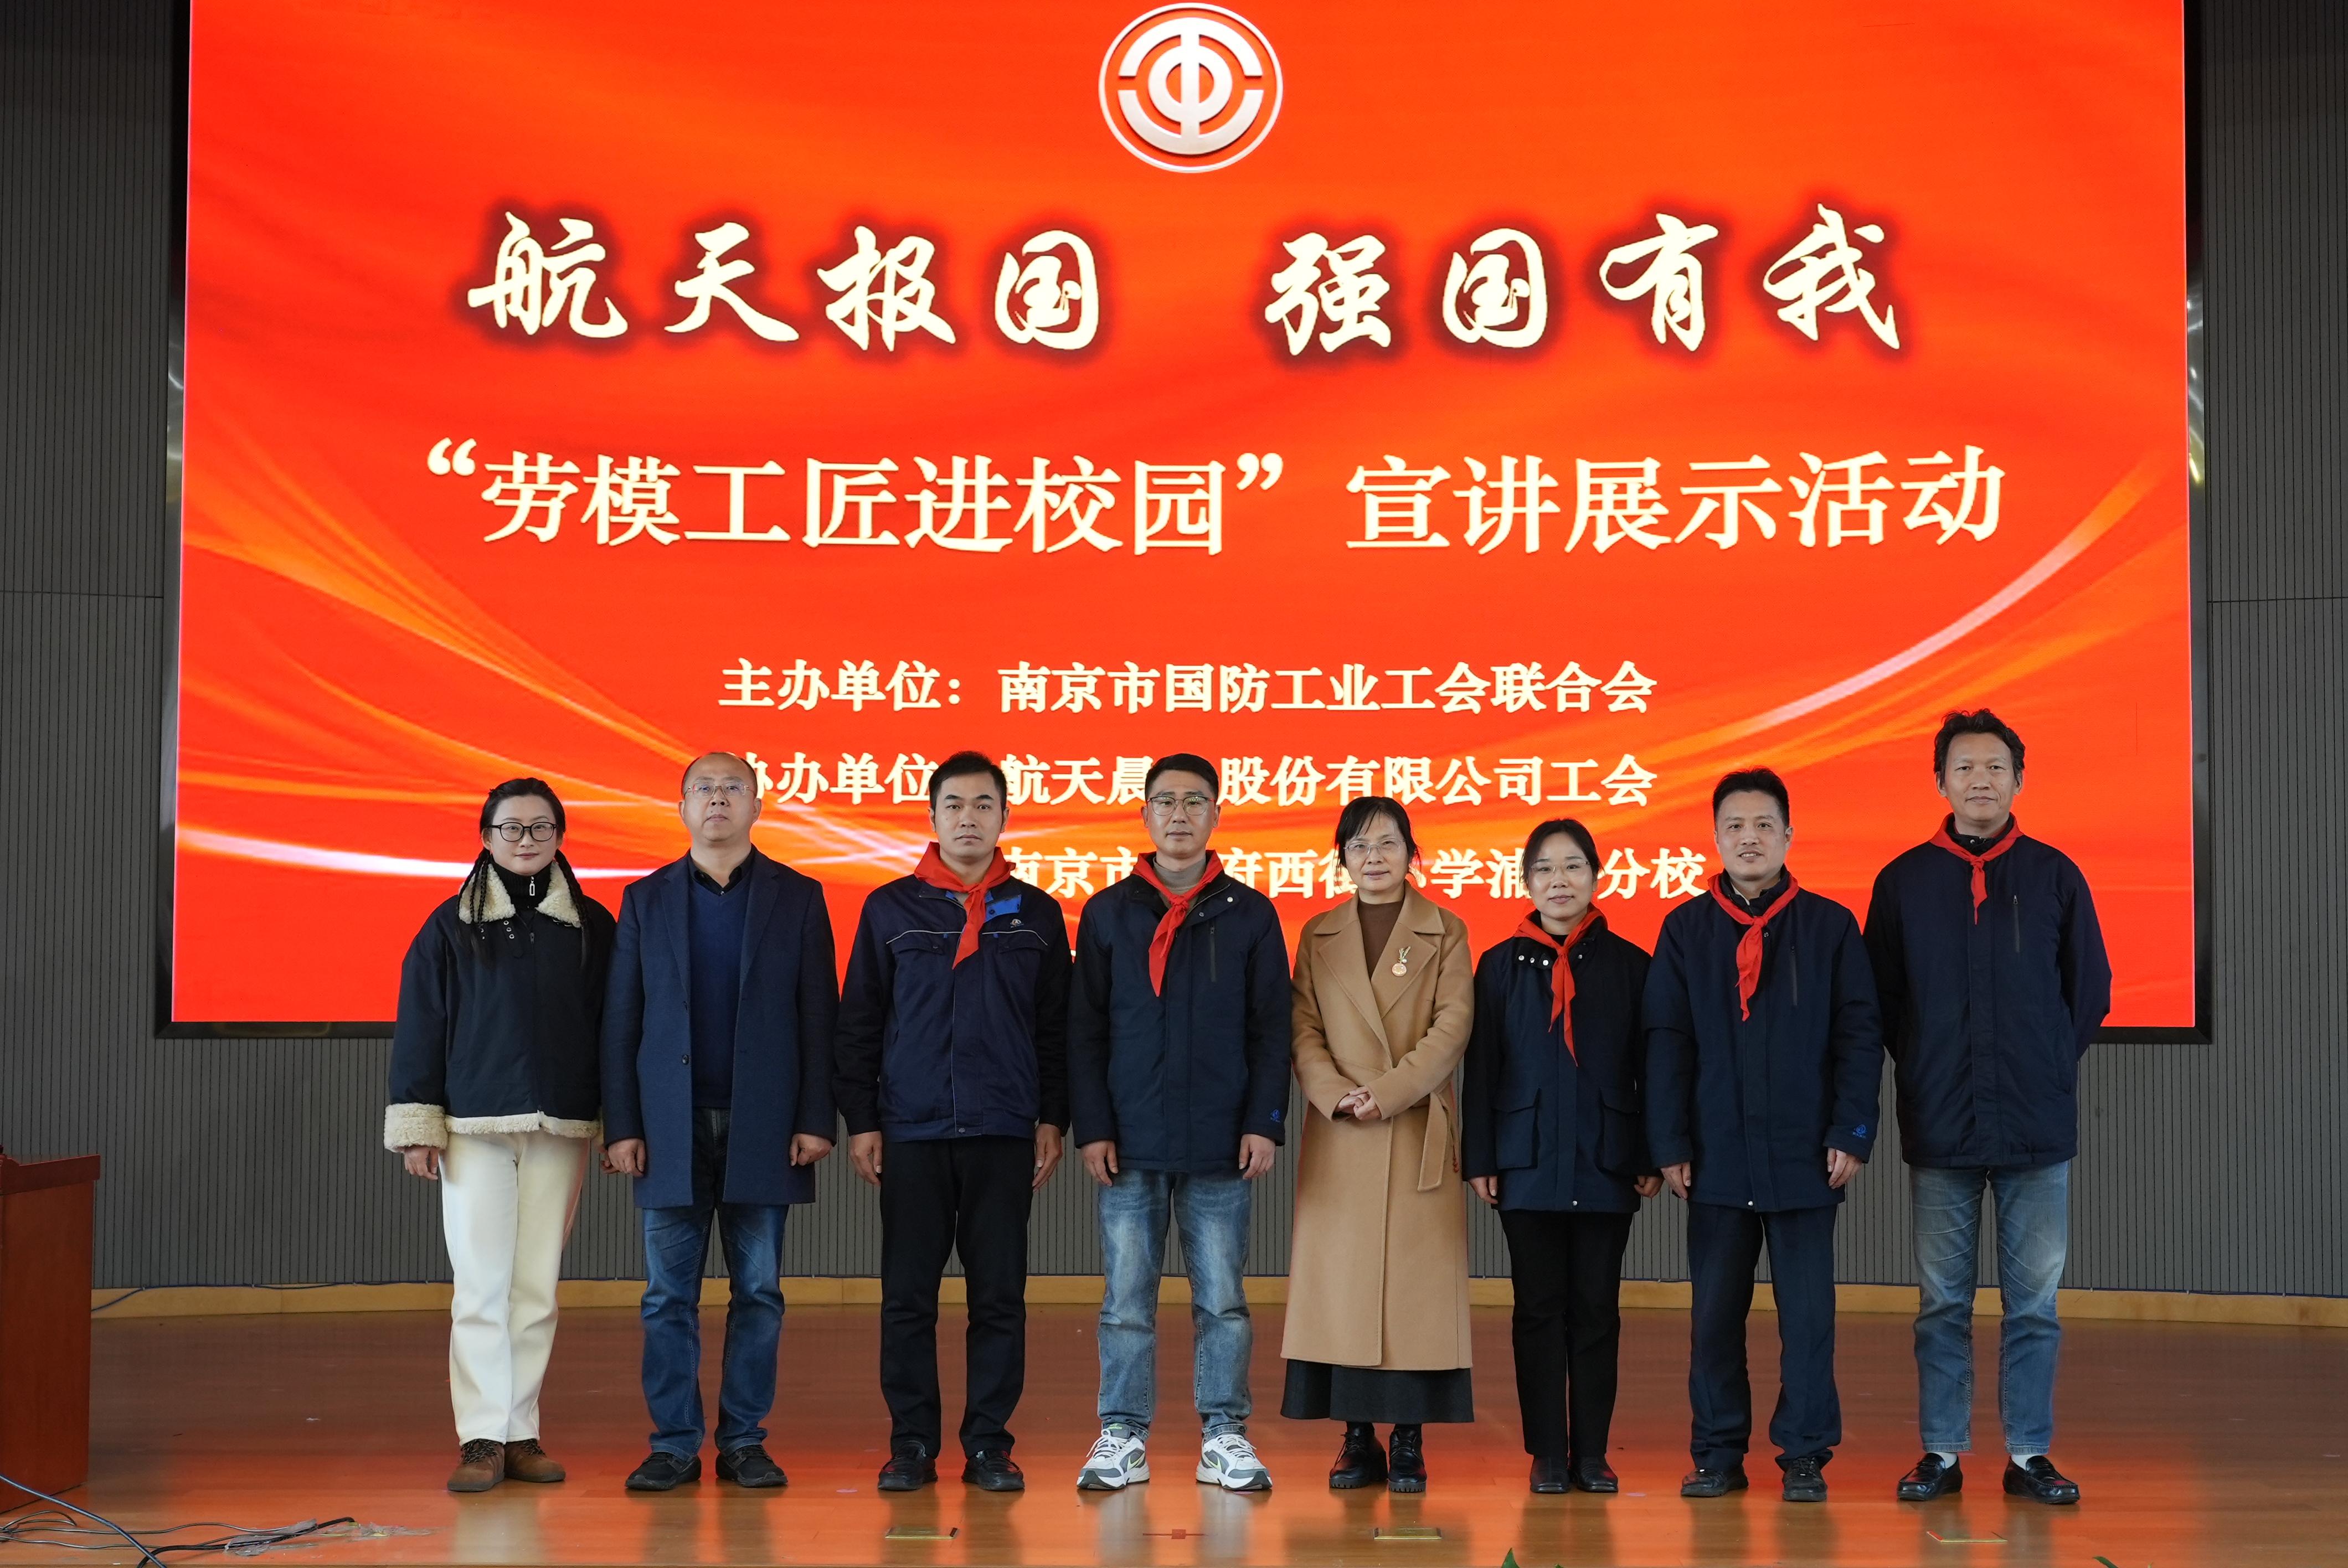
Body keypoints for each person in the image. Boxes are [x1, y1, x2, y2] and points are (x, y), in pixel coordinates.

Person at [1865, 710, 2112, 1507]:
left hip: (2037, 1128)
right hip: (1940, 1125)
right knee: (1942, 1302)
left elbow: (2089, 989)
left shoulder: (2054, 875)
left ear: (2019, 780)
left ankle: (2030, 1454)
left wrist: (2044, 1065)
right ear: (1940, 781)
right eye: (1965, 767)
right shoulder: (1902, 882)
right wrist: (1927, 1064)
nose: (1980, 780)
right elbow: (1883, 999)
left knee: (2034, 1305)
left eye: (1995, 767)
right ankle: (1940, 1452)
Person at [600, 751, 840, 1492]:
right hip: (668, 1127)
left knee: (759, 1292)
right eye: (703, 788)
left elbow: (818, 1016)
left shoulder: (799, 897)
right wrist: (623, 1125)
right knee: (667, 1296)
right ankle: (674, 1444)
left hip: (762, 1124)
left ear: (758, 805)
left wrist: (815, 1117)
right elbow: (621, 1021)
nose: (718, 799)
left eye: (733, 787)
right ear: (681, 807)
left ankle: (743, 1442)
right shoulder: (645, 900)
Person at [1645, 768, 1883, 1504]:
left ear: (1788, 835)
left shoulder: (1830, 927)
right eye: (1734, 827)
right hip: (1715, 1155)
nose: (1749, 838)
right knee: (1715, 1316)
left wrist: (1852, 1130)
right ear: (1715, 839)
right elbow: (1665, 1042)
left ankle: (1805, 1452)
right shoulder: (1685, 930)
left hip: (1806, 1155)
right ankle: (1718, 1453)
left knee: (1808, 1318)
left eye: (1763, 825)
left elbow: (1859, 1035)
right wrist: (1670, 1142)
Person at [835, 751, 1071, 1494]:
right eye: (955, 805)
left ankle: (989, 1446)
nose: (969, 818)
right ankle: (911, 1445)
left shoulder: (1038, 913)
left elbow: (1056, 1030)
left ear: (1005, 817)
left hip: (1004, 1131)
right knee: (908, 1299)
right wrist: (863, 1120)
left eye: (983, 805)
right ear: (933, 816)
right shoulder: (889, 908)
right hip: (912, 1129)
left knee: (998, 1298)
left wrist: (1053, 1117)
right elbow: (860, 1023)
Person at [386, 778, 616, 1493]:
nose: (526, 840)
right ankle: (481, 1437)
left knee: (536, 1288)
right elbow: (420, 1027)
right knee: (481, 1286)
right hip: (474, 1127)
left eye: (541, 827)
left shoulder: (592, 925)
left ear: (560, 836)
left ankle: (520, 1434)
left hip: (561, 1123)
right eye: (511, 828)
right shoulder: (449, 925)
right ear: (486, 838)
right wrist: (418, 1125)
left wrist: (620, 1123)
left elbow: (616, 1030)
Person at [1068, 754, 1291, 1494]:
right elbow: (1085, 1031)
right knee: (1126, 1302)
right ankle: (1122, 1434)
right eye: (1165, 801)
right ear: (1144, 816)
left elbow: (1271, 1030)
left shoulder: (1251, 914)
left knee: (1222, 1299)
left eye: (1195, 802)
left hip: (1222, 1141)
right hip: (1128, 1142)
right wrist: (1093, 1126)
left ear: (1217, 815)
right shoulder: (1108, 913)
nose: (1179, 815)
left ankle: (1224, 1433)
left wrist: (1263, 1122)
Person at [1462, 818, 1662, 1496]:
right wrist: (1481, 1158)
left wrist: (1649, 1152)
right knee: (1537, 1310)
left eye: (1573, 866)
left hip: (1606, 1158)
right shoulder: (1498, 966)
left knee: (1597, 1310)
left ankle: (1593, 1453)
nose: (1559, 881)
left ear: (1596, 878)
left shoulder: (1632, 965)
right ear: (1526, 883)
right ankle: (1547, 1452)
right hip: (1524, 1162)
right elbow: (1482, 1069)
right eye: (1544, 869)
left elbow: (1649, 1068)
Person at [1281, 795, 1475, 1494]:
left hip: (1413, 1123)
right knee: (1344, 1290)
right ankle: (1356, 1439)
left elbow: (1452, 1025)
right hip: (1342, 1131)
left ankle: (1410, 1440)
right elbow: (1302, 1027)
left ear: (1411, 853)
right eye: (1359, 846)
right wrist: (1334, 1093)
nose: (1374, 857)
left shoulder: (1445, 930)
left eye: (1388, 843)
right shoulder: (1318, 933)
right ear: (1341, 858)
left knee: (1413, 1296)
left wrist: (1389, 1091)